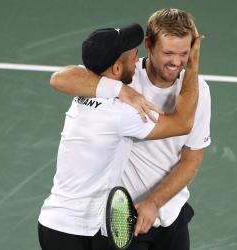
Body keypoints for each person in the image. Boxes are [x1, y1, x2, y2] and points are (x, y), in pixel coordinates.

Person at [49, 9, 211, 250]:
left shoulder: (197, 90)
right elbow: (60, 78)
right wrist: (120, 90)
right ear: (148, 45)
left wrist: (155, 202)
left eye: (184, 53)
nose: (176, 62)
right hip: (122, 219)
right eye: (168, 52)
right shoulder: (123, 76)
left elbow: (192, 157)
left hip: (169, 213)